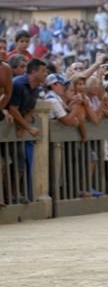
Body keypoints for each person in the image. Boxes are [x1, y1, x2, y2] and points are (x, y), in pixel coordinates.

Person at [7, 59, 48, 202]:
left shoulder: (36, 88)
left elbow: (30, 109)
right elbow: (12, 109)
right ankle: (10, 195)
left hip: (16, 128)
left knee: (21, 162)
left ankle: (14, 194)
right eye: (43, 71)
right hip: (7, 126)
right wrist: (28, 127)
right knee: (14, 162)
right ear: (34, 71)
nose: (45, 74)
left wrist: (22, 126)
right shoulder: (18, 84)